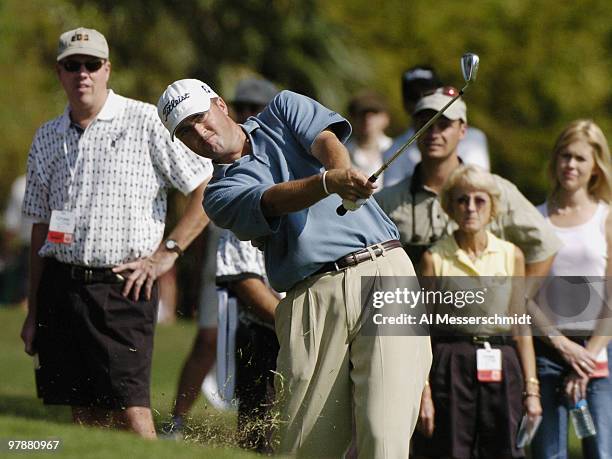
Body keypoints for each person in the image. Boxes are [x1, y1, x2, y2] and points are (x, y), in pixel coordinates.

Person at [157, 79, 432, 458]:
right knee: (306, 447)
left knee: (384, 439)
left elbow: (326, 142)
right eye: (185, 132)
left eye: (200, 118)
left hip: (384, 269)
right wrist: (328, 183)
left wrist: (341, 173)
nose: (199, 134)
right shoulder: (218, 196)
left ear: (220, 104)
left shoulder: (284, 108)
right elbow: (271, 201)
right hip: (311, 296)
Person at [19, 27, 212, 438]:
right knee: (84, 417)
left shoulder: (145, 121)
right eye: (73, 65)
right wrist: (34, 311)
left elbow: (204, 185)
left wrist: (170, 251)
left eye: (91, 65)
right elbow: (39, 226)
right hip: (62, 286)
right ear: (60, 72)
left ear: (107, 69)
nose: (82, 74)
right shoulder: (47, 136)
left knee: (132, 412)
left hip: (125, 286)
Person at [165, 77, 278, 437]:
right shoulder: (210, 153)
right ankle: (178, 420)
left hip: (267, 267)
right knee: (208, 341)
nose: (247, 113)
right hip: (224, 265)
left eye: (254, 108)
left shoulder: (276, 150)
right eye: (242, 105)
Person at [414, 165, 542, 458]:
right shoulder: (434, 258)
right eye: (462, 200)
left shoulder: (512, 255)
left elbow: (520, 326)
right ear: (450, 207)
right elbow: (421, 331)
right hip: (450, 366)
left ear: (492, 207)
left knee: (506, 450)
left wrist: (532, 390)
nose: (470, 208)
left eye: (479, 200)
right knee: (450, 451)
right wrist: (424, 392)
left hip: (502, 363)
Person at [375, 86, 561, 276]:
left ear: (463, 130)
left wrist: (518, 298)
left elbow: (545, 245)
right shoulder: (386, 202)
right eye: (425, 125)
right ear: (415, 131)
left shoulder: (497, 190)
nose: (434, 133)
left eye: (444, 125)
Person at [531, 120, 612, 459]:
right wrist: (563, 347)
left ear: (595, 166)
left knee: (602, 452)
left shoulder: (606, 218)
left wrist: (587, 358)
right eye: (565, 156)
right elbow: (525, 297)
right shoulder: (537, 218)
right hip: (548, 351)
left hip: (600, 352)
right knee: (550, 454)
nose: (571, 165)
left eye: (580, 158)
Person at [216, 229, 280, 452]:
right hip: (265, 336)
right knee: (261, 439)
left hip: (325, 333)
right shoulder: (249, 205)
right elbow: (244, 280)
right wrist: (296, 323)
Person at [382, 65, 490, 188]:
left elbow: (477, 187)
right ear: (404, 103)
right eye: (414, 96)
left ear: (462, 130)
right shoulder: (393, 150)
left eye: (428, 93)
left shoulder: (474, 139)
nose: (421, 101)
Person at [345, 91, 392, 183]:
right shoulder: (342, 151)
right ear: (352, 118)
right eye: (362, 114)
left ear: (386, 118)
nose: (367, 119)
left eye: (374, 113)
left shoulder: (397, 148)